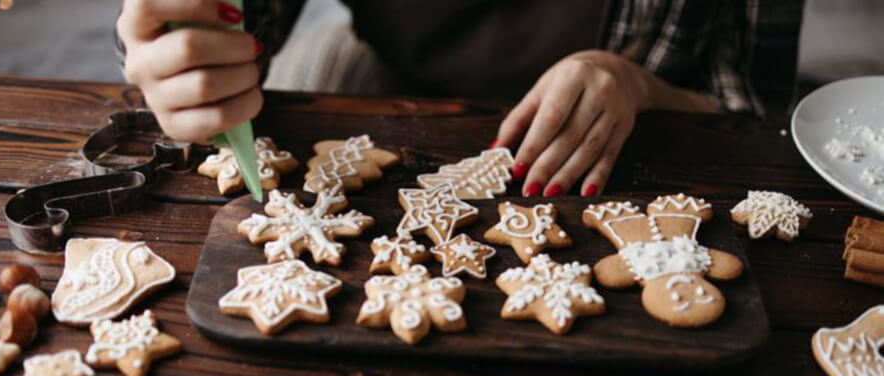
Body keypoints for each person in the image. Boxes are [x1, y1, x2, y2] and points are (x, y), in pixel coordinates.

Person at [116, 0, 803, 197]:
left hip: (642, 127)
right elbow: (244, 22)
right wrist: (182, 47)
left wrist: (632, 81)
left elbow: (748, 123)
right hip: (392, 80)